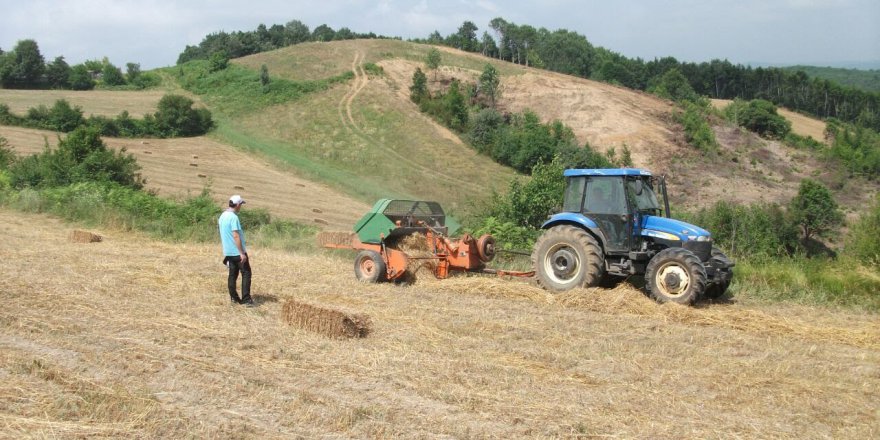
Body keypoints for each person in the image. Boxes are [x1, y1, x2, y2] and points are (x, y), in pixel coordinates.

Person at [218, 194, 254, 306]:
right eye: (241, 205)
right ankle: (246, 300)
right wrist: (241, 253)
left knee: (233, 274)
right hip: (236, 251)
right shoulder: (234, 217)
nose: (241, 207)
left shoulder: (222, 216)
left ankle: (234, 298)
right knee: (246, 273)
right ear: (237, 205)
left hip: (227, 251)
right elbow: (236, 235)